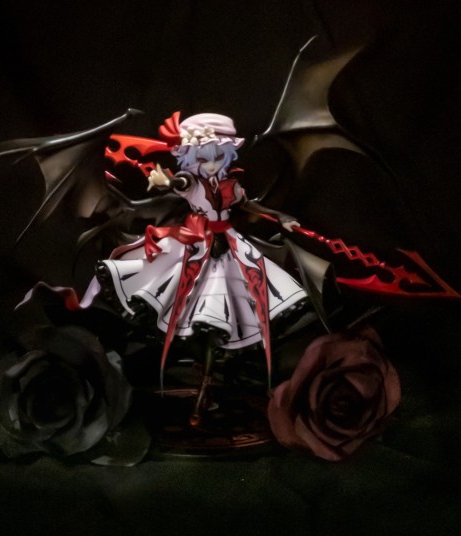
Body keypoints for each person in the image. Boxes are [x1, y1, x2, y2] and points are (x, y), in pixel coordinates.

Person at [94, 112, 308, 424]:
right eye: (203, 158)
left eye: (218, 157)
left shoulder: (232, 184)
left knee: (233, 313)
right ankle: (198, 383)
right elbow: (178, 182)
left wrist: (279, 217)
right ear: (191, 158)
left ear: (228, 155)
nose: (211, 165)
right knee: (190, 312)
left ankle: (208, 384)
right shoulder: (191, 182)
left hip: (230, 247)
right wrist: (164, 181)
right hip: (195, 247)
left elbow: (249, 204)